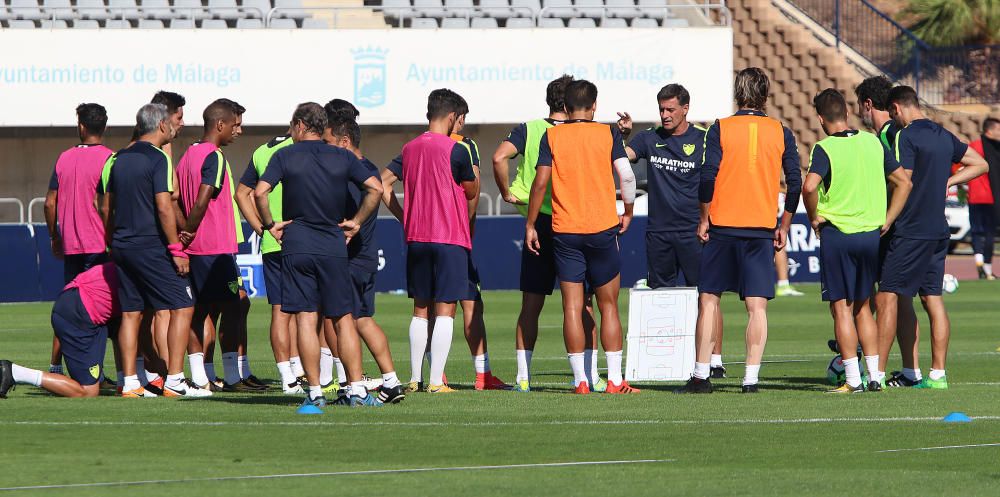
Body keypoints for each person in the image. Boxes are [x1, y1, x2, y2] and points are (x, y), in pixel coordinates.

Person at [676, 67, 802, 394]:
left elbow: (707, 177)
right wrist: (784, 224)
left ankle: (701, 375)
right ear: (766, 94)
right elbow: (795, 182)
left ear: (738, 93)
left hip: (723, 226)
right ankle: (751, 379)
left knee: (708, 300)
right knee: (757, 306)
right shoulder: (781, 131)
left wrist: (704, 218)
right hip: (761, 227)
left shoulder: (721, 128)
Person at [253, 102, 384, 407]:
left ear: (300, 125)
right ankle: (357, 390)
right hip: (332, 245)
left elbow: (259, 192)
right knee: (343, 319)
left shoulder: (284, 155)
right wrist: (356, 222)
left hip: (297, 244)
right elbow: (375, 189)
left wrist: (270, 225)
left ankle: (314, 393)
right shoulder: (340, 155)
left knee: (305, 318)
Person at [492, 75, 605, 393]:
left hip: (538, 220)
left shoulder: (530, 128)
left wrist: (507, 192)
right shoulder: (583, 131)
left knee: (532, 303)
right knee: (584, 304)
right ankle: (589, 375)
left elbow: (499, 156)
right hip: (574, 220)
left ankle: (523, 378)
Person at [526, 79, 639, 395]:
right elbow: (627, 175)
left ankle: (580, 382)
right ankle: (615, 380)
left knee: (572, 308)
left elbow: (540, 183)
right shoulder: (607, 133)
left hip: (566, 230)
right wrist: (628, 211)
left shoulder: (553, 135)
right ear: (594, 106)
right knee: (609, 307)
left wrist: (531, 223)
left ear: (564, 108)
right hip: (602, 228)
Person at [875, 86, 989, 390]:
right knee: (932, 299)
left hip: (910, 229)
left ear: (897, 108)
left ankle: (875, 375)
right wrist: (948, 181)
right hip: (938, 230)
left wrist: (886, 217)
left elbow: (904, 181)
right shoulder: (942, 134)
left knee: (887, 295)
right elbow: (980, 164)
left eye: (892, 115)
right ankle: (937, 374)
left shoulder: (905, 136)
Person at [802, 89, 912, 393]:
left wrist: (813, 217)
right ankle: (875, 376)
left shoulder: (824, 149)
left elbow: (809, 186)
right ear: (847, 114)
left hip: (838, 233)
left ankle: (852, 379)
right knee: (864, 306)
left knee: (842, 308)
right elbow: (904, 181)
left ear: (822, 119)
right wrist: (888, 218)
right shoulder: (872, 142)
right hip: (869, 235)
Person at [617, 83, 729, 378]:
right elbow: (620, 157)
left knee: (708, 298)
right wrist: (622, 135)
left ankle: (715, 361)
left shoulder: (705, 139)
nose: (665, 115)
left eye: (670, 109)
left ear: (685, 109)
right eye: (661, 109)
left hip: (695, 232)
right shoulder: (648, 139)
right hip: (659, 233)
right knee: (661, 299)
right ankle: (666, 359)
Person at [106, 103, 208, 398]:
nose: (179, 126)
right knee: (183, 305)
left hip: (123, 245)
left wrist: (111, 241)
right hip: (150, 245)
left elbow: (106, 207)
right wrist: (176, 248)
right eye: (175, 122)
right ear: (162, 125)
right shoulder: (159, 159)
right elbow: (164, 206)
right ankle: (175, 380)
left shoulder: (118, 159)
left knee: (131, 314)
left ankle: (129, 382)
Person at [381, 89, 478, 394]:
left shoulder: (409, 148)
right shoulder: (456, 150)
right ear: (452, 117)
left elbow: (382, 183)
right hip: (449, 236)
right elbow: (472, 191)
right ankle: (436, 381)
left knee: (420, 308)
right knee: (446, 307)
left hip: (417, 236)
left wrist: (402, 215)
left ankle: (414, 377)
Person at [176, 98, 263, 393]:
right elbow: (202, 198)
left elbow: (177, 197)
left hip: (198, 249)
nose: (239, 131)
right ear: (220, 124)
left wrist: (184, 233)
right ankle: (232, 377)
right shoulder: (213, 156)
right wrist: (188, 230)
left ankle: (201, 377)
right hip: (213, 248)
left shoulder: (187, 156)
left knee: (199, 312)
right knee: (235, 305)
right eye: (236, 125)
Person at [324, 110, 405, 404]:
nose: (324, 148)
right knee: (362, 319)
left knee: (338, 320)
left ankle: (351, 385)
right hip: (365, 258)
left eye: (328, 141)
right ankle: (391, 382)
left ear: (345, 142)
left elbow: (341, 216)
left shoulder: (349, 174)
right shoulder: (369, 168)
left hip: (349, 258)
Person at [43, 103, 115, 380]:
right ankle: (99, 368)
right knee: (103, 311)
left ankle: (55, 367)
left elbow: (50, 204)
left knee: (69, 306)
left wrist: (54, 236)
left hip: (72, 246)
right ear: (104, 127)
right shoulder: (110, 159)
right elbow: (108, 206)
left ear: (81, 126)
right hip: (99, 246)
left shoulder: (64, 158)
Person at [236, 129, 304, 394]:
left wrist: (263, 229)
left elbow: (241, 194)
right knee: (306, 310)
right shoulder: (302, 149)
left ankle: (289, 375)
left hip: (272, 241)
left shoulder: (261, 151)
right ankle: (302, 371)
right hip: (301, 238)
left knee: (280, 310)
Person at [450, 107, 510, 391]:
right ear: (456, 117)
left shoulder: (418, 144)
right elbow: (471, 190)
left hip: (425, 234)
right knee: (470, 304)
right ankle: (482, 375)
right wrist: (468, 227)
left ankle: (431, 375)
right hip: (455, 237)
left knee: (429, 308)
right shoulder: (466, 145)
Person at [0, 263, 121, 398]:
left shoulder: (127, 260)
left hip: (72, 300)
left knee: (124, 324)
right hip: (80, 312)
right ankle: (15, 372)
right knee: (88, 391)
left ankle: (127, 382)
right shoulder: (139, 269)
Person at [964, 117, 1000, 279]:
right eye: (998, 129)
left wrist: (963, 184)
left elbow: (956, 166)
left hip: (975, 197)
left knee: (977, 232)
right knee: (989, 233)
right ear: (989, 130)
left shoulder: (974, 146)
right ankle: (986, 268)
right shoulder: (980, 146)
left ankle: (980, 264)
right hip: (990, 197)